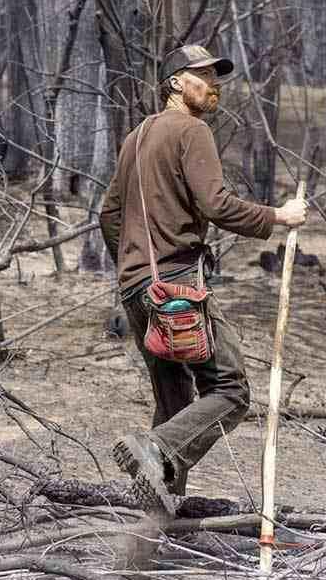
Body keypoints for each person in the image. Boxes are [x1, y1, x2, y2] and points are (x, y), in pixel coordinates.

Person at [98, 44, 307, 512]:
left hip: (138, 290)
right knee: (230, 391)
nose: (214, 84)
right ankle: (154, 450)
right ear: (175, 82)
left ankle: (148, 535)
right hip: (175, 289)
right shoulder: (192, 131)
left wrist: (132, 266)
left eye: (217, 76)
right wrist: (279, 215)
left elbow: (109, 214)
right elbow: (217, 204)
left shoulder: (136, 137)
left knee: (175, 409)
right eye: (203, 75)